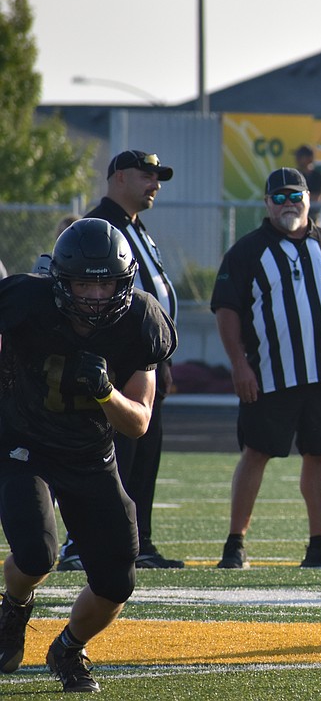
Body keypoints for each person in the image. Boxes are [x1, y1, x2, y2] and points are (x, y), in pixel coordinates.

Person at [0, 218, 176, 692]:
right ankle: (13, 607)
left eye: (105, 284)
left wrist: (105, 393)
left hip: (89, 450)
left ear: (125, 283)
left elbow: (138, 421)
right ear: (61, 281)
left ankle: (68, 647)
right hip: (24, 441)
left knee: (117, 580)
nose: (95, 296)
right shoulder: (24, 301)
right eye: (83, 283)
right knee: (37, 554)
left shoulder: (141, 320)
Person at [211, 167, 321, 570]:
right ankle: (235, 543)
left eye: (294, 196)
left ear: (309, 198)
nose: (288, 204)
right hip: (269, 375)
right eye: (278, 198)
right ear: (267, 204)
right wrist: (238, 365)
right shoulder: (248, 251)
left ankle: (319, 544)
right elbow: (226, 310)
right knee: (256, 452)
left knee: (320, 455)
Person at [56, 150, 184, 571]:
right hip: (108, 363)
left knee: (143, 455)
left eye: (158, 177)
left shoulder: (136, 228)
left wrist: (160, 356)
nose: (155, 184)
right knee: (106, 455)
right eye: (147, 176)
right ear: (119, 178)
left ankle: (137, 541)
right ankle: (81, 541)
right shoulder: (98, 228)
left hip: (142, 360)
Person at [294, 145, 321, 224]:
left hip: (313, 216)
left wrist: (301, 197)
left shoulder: (317, 175)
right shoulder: (294, 174)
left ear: (310, 158)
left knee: (315, 233)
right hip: (297, 215)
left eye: (301, 156)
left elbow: (317, 197)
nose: (297, 159)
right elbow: (293, 196)